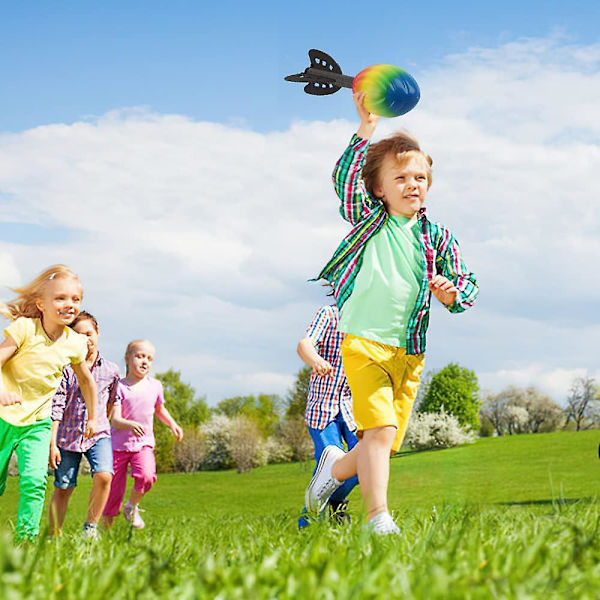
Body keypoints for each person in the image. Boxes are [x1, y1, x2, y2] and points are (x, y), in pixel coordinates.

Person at [305, 93, 479, 535]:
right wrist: (366, 129)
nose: (412, 184)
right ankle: (377, 519)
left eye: (420, 176)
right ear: (379, 188)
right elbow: (344, 179)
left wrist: (450, 291)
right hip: (362, 343)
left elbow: (467, 285)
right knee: (379, 434)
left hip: (410, 354)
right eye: (400, 177)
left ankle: (332, 472)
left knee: (381, 444)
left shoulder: (439, 237)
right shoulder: (370, 221)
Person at [0, 265, 98, 540]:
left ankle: (25, 542)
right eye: (61, 298)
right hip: (2, 417)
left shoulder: (74, 343)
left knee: (34, 481)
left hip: (38, 423)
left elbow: (87, 381)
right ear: (41, 304)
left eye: (76, 299)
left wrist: (93, 417)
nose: (70, 305)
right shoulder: (24, 329)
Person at [48, 311, 120, 539]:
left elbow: (111, 402)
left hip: (98, 434)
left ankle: (90, 528)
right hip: (67, 437)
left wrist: (100, 422)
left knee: (104, 476)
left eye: (89, 334)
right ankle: (54, 534)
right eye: (78, 335)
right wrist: (53, 443)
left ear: (97, 333)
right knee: (64, 487)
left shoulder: (111, 370)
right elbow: (56, 406)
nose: (85, 339)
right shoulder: (65, 369)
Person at [103, 339, 183, 530]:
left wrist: (172, 424)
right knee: (113, 492)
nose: (144, 361)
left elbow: (160, 409)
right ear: (127, 359)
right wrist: (129, 424)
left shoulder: (155, 386)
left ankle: (132, 506)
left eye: (149, 358)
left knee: (147, 476)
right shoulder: (119, 387)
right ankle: (106, 533)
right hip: (118, 446)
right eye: (139, 356)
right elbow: (114, 419)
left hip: (143, 443)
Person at [297, 300, 358, 528]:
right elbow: (305, 344)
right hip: (323, 408)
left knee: (368, 459)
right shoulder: (330, 314)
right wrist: (316, 360)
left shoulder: (368, 322)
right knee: (330, 460)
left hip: (351, 408)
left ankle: (335, 502)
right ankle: (308, 523)